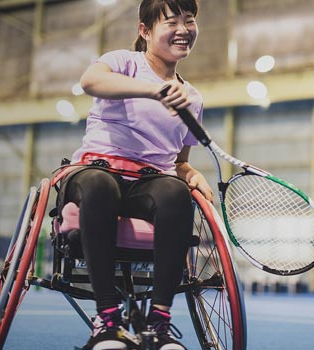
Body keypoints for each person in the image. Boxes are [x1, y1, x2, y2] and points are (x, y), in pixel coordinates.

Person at [70, 0, 212, 349]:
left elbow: (178, 159)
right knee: (99, 184)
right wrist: (153, 90)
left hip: (148, 183)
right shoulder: (124, 62)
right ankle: (106, 322)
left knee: (177, 192)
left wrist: (190, 171)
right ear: (145, 31)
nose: (183, 29)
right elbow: (90, 81)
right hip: (96, 170)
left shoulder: (191, 98)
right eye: (172, 22)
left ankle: (158, 325)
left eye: (190, 21)